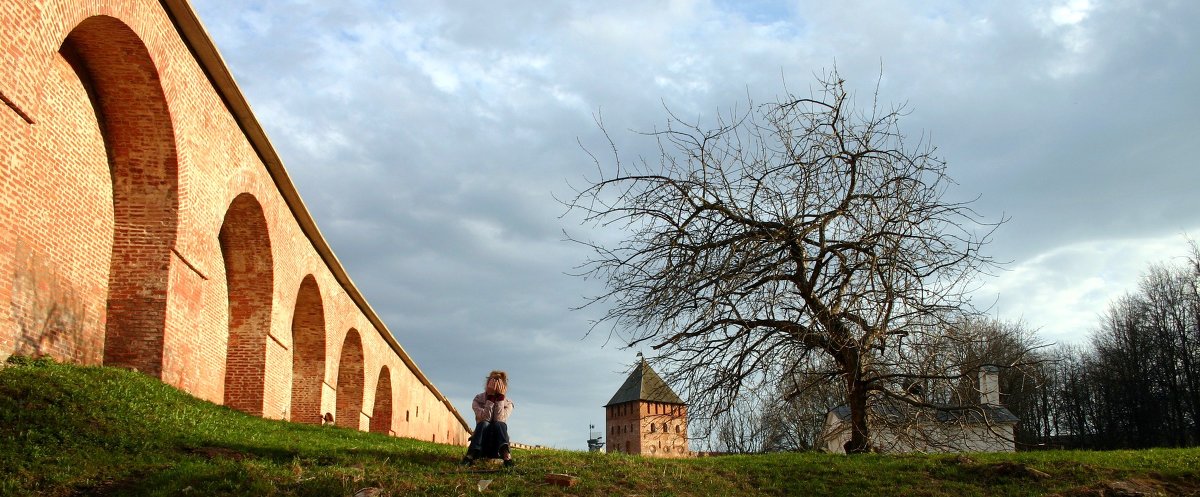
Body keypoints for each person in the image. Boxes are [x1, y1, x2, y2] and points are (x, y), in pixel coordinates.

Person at [461, 370, 515, 467]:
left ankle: (507, 456)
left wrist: (500, 398)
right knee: (484, 423)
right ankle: (470, 456)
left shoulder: (508, 404)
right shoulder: (478, 399)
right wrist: (490, 398)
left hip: (497, 447)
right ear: (487, 383)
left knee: (499, 424)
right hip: (481, 445)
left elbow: (499, 419)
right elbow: (485, 418)